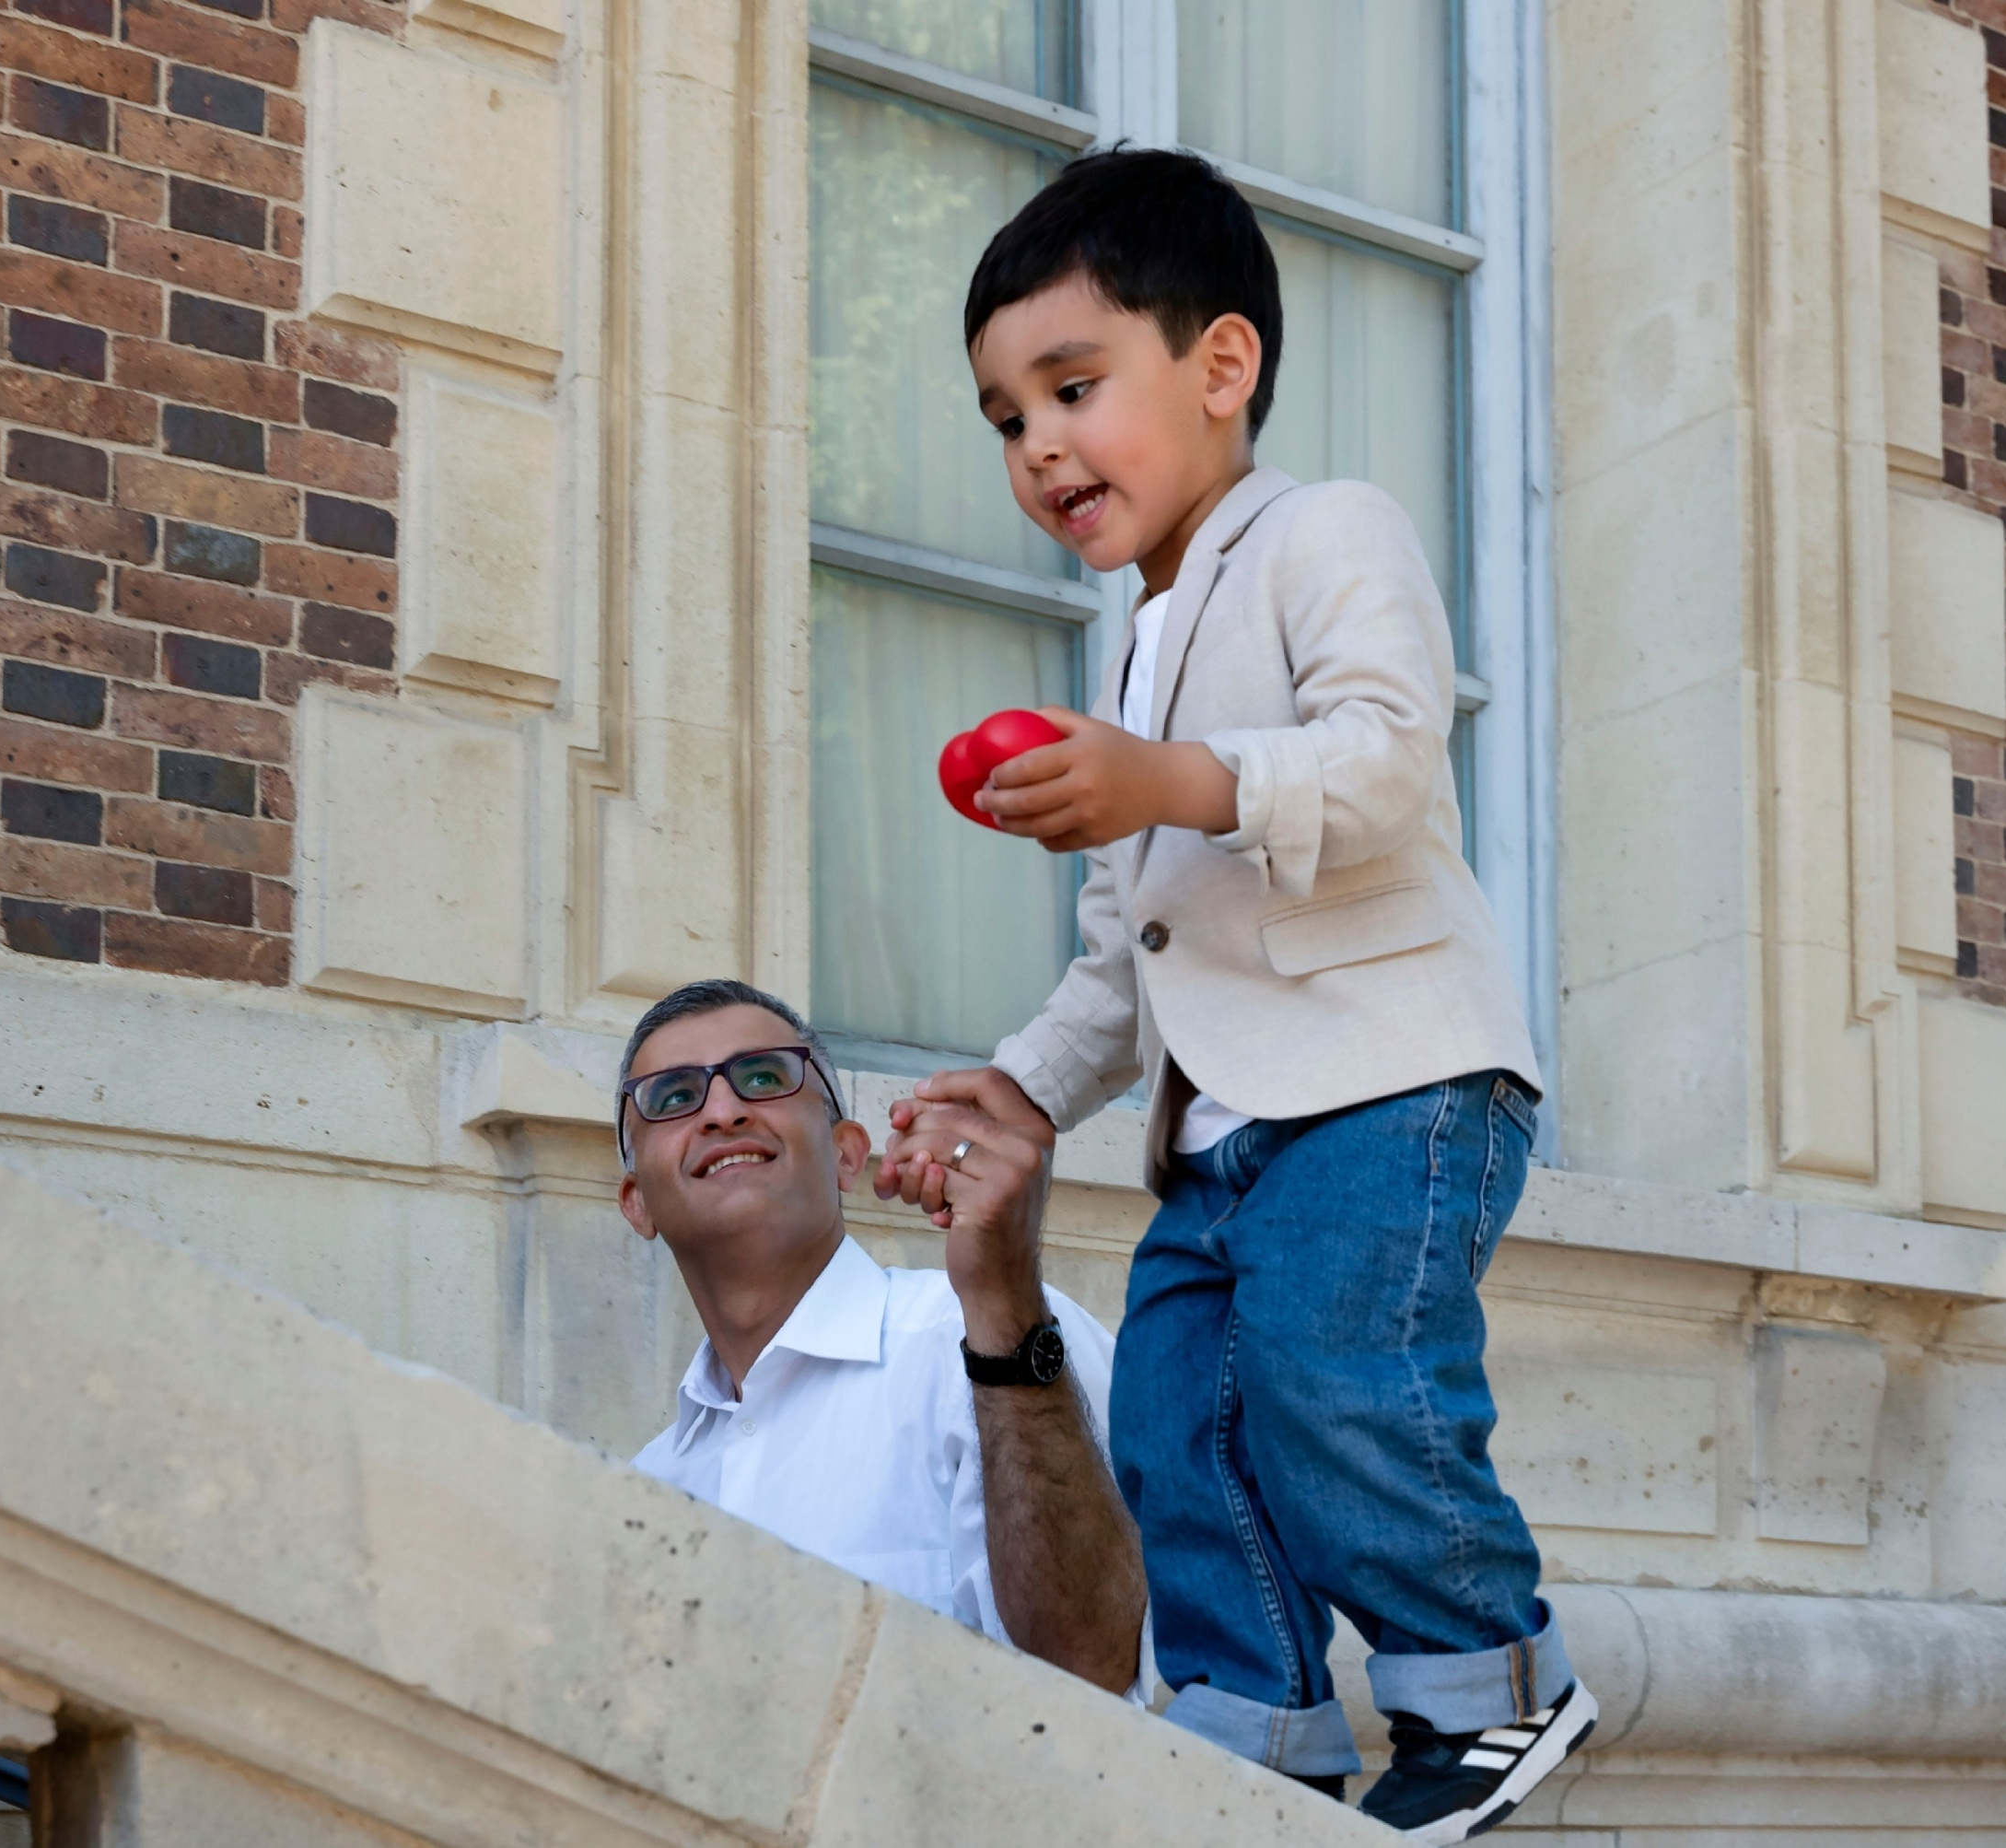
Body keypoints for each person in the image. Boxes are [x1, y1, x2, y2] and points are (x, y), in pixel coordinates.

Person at [875, 148, 1593, 1839]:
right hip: (1226, 1133)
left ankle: (1491, 1684)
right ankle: (1247, 1729)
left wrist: (1173, 777)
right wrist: (1023, 1086)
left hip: (1392, 1084)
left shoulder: (1329, 531)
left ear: (1219, 365)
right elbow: (1133, 950)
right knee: (1183, 1428)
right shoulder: (1133, 650)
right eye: (1003, 419)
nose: (1039, 444)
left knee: (1335, 1372)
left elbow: (1386, 768)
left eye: (1070, 386)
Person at [616, 977, 1147, 1696]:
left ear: (846, 1155)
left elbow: (1095, 1669)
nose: (723, 1109)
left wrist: (1003, 1299)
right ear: (637, 1202)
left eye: (764, 1077)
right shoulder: (644, 1491)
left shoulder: (987, 1338)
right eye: (674, 1097)